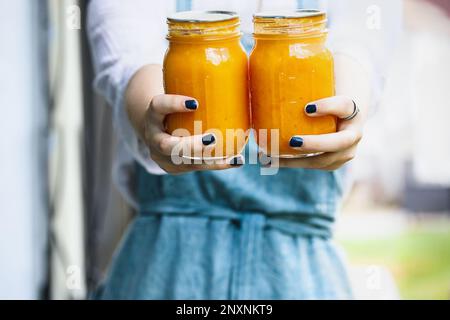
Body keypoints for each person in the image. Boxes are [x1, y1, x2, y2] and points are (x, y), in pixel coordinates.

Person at [87, 0, 401, 299]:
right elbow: (126, 56)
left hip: (297, 277)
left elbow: (363, 47)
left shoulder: (314, 43)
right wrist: (150, 115)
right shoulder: (184, 46)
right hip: (164, 271)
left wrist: (348, 110)